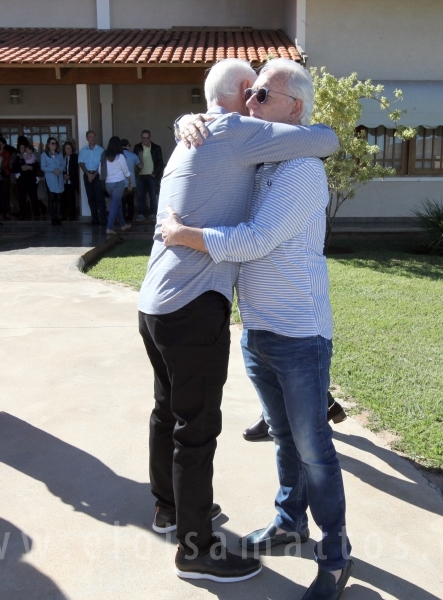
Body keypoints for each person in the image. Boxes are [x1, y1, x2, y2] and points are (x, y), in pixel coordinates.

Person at [138, 57, 339, 584]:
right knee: (197, 428)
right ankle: (196, 545)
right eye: (251, 94)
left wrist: (191, 120)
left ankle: (174, 514)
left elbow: (317, 147)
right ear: (242, 92)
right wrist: (195, 117)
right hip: (201, 308)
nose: (254, 105)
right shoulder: (241, 137)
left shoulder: (219, 144)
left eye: (263, 98)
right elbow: (321, 138)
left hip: (175, 307)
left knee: (175, 417)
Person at [98, 136, 135, 235]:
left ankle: (123, 225)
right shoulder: (120, 156)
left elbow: (100, 170)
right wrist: (130, 182)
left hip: (108, 184)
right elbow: (126, 171)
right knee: (114, 206)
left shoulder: (104, 155)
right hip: (118, 184)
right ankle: (109, 228)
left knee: (117, 204)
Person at [133, 129, 163, 221]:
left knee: (152, 196)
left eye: (147, 138)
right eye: (143, 138)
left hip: (151, 176)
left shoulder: (156, 148)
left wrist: (155, 174)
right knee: (140, 196)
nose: (145, 140)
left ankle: (153, 214)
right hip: (141, 175)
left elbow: (160, 162)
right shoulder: (137, 147)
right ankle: (142, 214)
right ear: (141, 138)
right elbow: (134, 162)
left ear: (150, 138)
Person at [77, 131, 105, 226]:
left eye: (93, 136)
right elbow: (81, 163)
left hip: (98, 175)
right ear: (87, 138)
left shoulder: (101, 150)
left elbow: (102, 164)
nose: (92, 138)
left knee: (100, 197)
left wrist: (94, 174)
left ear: (95, 137)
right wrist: (88, 174)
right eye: (90, 137)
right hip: (87, 174)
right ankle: (95, 218)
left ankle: (103, 219)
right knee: (91, 197)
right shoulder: (84, 150)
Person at [13, 140, 41, 220]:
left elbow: (37, 167)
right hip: (21, 180)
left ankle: (36, 214)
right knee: (22, 197)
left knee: (34, 197)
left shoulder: (32, 156)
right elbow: (14, 168)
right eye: (21, 148)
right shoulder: (18, 158)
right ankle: (23, 213)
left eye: (24, 148)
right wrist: (21, 168)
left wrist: (31, 167)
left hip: (31, 180)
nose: (23, 149)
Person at [40, 137, 65, 226]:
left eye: (55, 143)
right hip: (50, 179)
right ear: (48, 145)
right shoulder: (44, 155)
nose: (54, 145)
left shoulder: (60, 154)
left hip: (59, 179)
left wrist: (60, 170)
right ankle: (53, 217)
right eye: (52, 143)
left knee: (58, 199)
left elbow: (63, 165)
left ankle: (58, 217)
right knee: (51, 199)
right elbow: (43, 167)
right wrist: (53, 170)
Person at [120, 139, 141, 223]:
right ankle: (130, 218)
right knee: (130, 202)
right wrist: (141, 158)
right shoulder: (133, 155)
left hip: (120, 181)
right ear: (128, 145)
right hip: (131, 182)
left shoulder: (117, 156)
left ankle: (123, 219)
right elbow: (140, 166)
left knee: (122, 202)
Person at [61, 141, 79, 221]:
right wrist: (64, 175)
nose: (68, 150)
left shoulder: (75, 157)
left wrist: (69, 176)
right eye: (66, 148)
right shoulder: (61, 157)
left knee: (71, 198)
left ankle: (72, 216)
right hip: (63, 181)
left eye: (70, 148)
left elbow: (75, 168)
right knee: (63, 198)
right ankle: (63, 215)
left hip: (72, 181)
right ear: (64, 149)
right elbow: (60, 167)